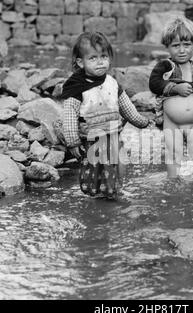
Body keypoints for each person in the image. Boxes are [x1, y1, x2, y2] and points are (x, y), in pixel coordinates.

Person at [61, 32, 154, 199]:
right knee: (95, 170)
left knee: (119, 163)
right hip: (91, 139)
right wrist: (73, 142)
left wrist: (143, 122)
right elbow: (69, 116)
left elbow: (126, 107)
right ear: (81, 62)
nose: (100, 62)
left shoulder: (112, 82)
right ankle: (96, 196)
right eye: (93, 58)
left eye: (103, 56)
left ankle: (115, 190)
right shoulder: (76, 87)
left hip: (113, 134)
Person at [149, 17, 193, 179]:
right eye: (175, 46)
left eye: (186, 45)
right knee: (174, 155)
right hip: (172, 121)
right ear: (167, 47)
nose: (181, 50)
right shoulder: (165, 66)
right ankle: (173, 185)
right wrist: (175, 88)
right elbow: (154, 83)